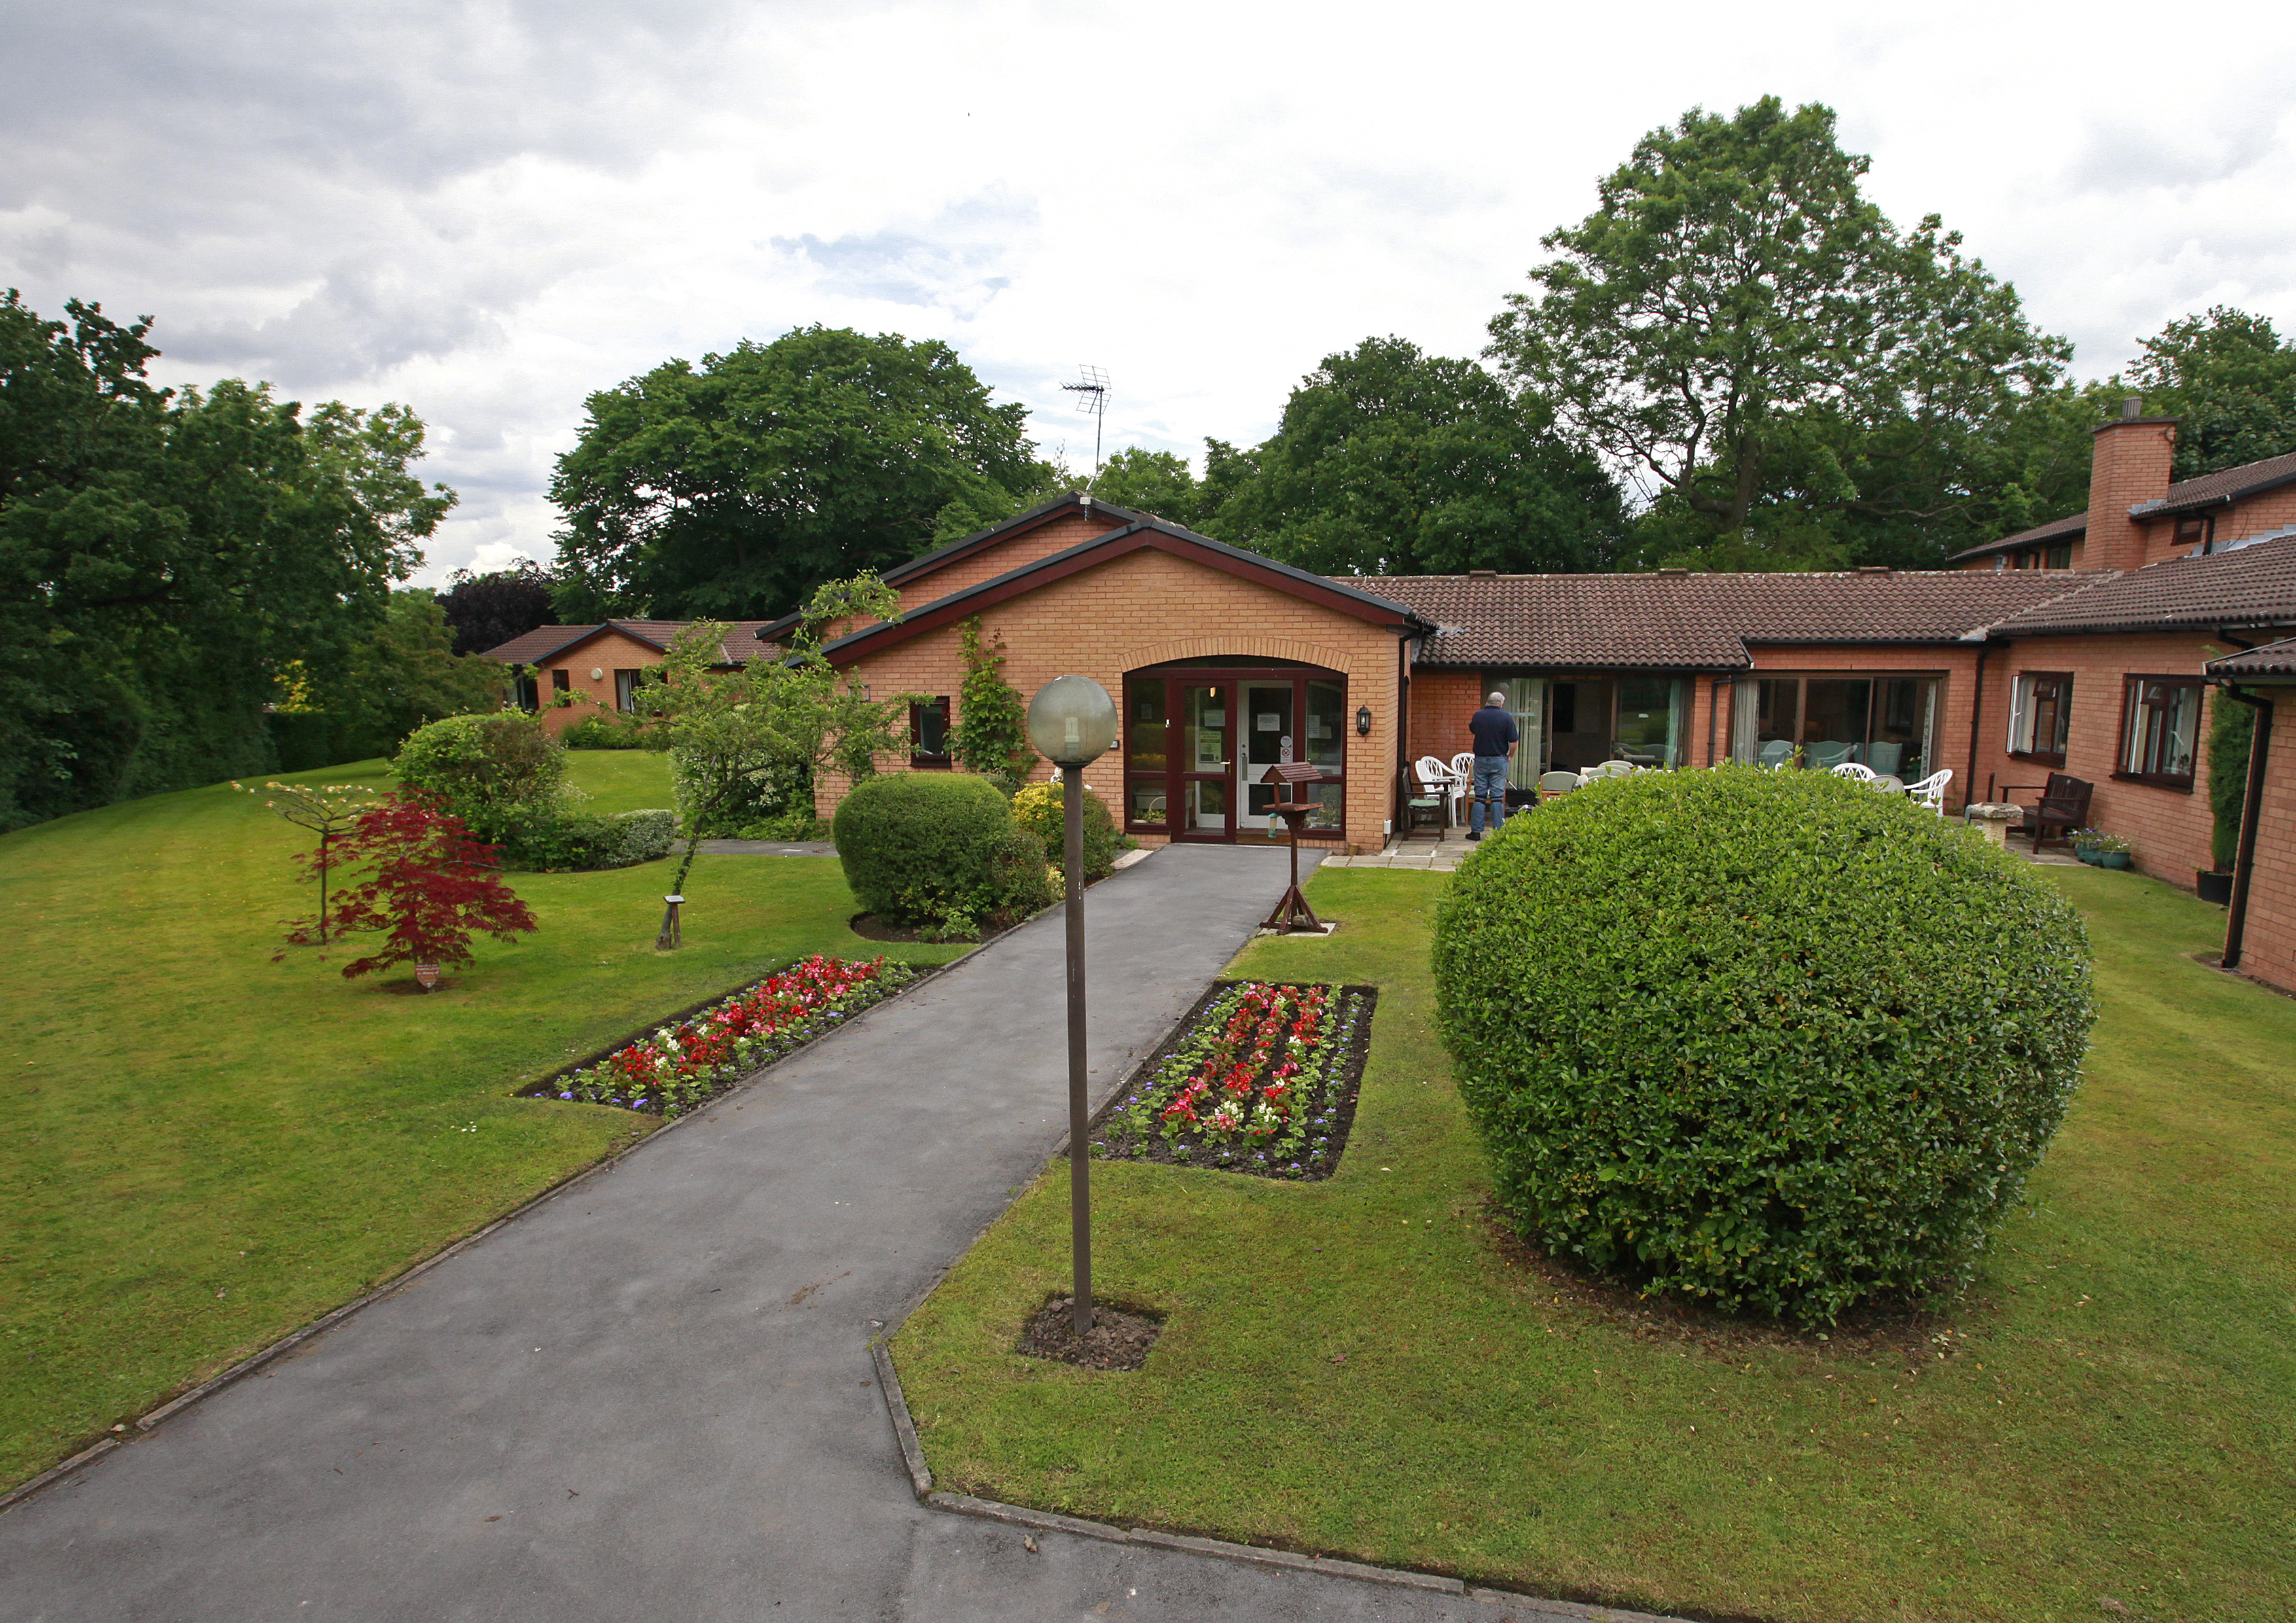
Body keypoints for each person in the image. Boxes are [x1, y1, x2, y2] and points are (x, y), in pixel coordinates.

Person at [1467, 691, 1518, 840]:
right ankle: (1499, 832)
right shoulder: (1507, 718)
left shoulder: (1478, 715)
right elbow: (1513, 742)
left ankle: (1476, 832)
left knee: (1480, 797)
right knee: (1497, 797)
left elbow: (1473, 730)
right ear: (1501, 704)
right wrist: (1511, 756)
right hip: (1499, 760)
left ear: (1487, 702)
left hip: (1481, 760)